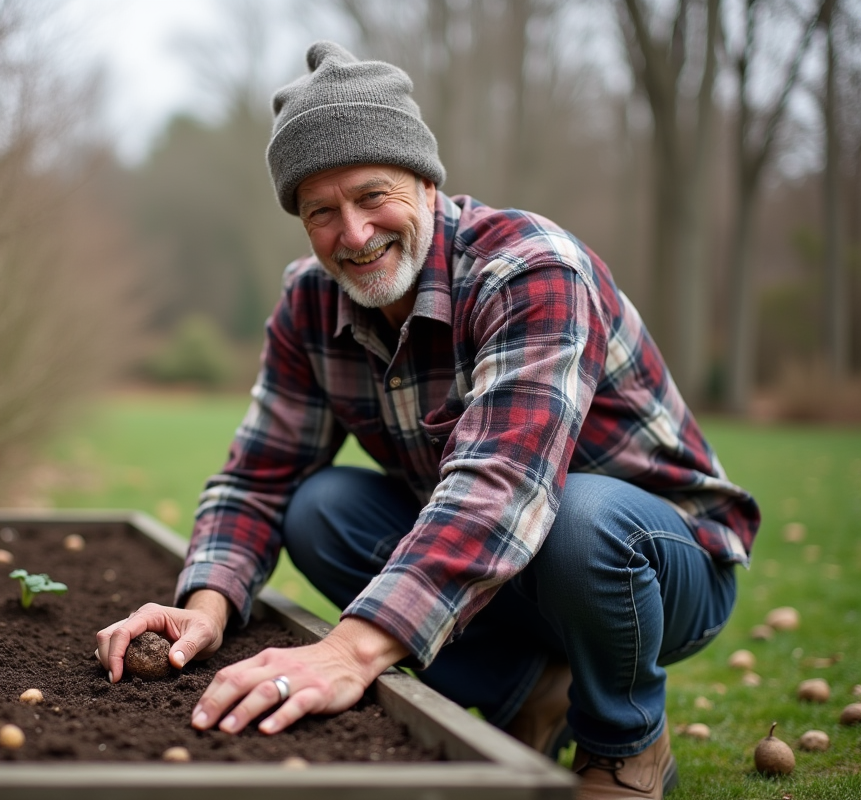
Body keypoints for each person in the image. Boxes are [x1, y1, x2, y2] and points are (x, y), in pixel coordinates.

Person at [96, 40, 759, 800]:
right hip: (511, 569)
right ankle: (528, 691)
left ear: (426, 181)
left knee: (581, 514)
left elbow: (501, 485)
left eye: (372, 195)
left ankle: (624, 744)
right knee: (320, 510)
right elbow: (260, 474)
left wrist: (349, 651)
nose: (353, 234)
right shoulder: (310, 301)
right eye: (321, 211)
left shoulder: (531, 268)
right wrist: (205, 605)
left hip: (659, 565)